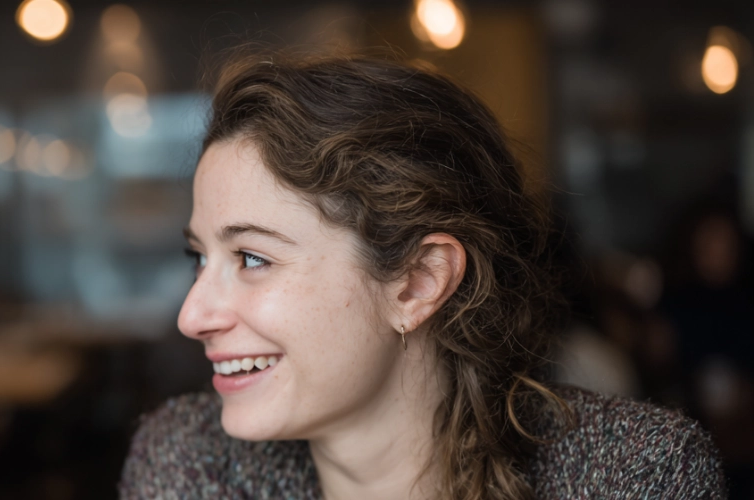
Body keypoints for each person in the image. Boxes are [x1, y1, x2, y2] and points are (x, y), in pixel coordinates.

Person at [119, 54, 727, 499]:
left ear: (418, 281)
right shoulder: (187, 468)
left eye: (252, 258)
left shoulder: (631, 475)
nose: (191, 316)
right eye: (199, 257)